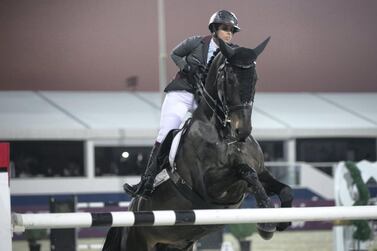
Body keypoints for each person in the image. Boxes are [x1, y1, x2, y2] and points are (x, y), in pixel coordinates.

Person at [124, 10, 241, 197]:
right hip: (181, 94)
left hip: (203, 99)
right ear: (214, 29)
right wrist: (186, 67)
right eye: (225, 29)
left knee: (223, 129)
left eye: (232, 30)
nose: (229, 33)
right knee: (167, 130)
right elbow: (175, 54)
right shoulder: (196, 42)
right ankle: (147, 180)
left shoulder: (231, 52)